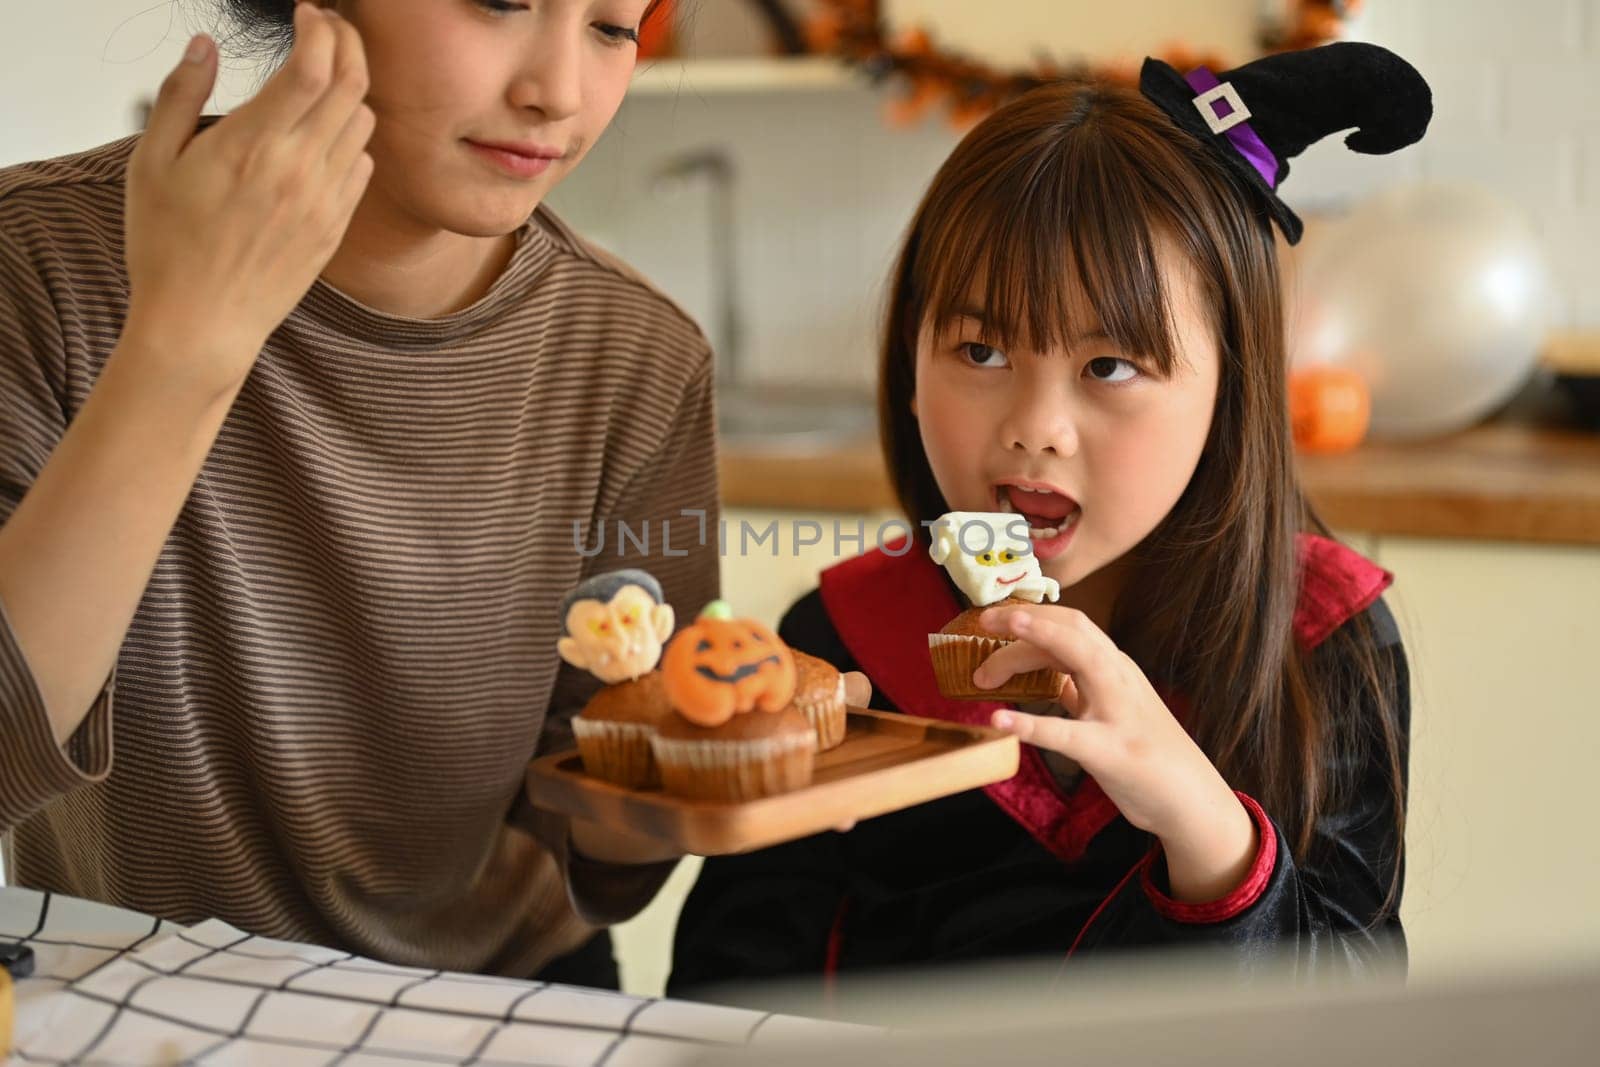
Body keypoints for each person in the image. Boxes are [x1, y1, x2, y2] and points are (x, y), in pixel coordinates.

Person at [671, 43, 1432, 1007]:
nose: (1033, 427)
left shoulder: (1324, 643)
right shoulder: (839, 647)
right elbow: (724, 989)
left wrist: (1202, 824)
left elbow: (1358, 1023)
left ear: (1232, 391)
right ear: (909, 363)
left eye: (1110, 365)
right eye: (980, 348)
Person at [0, 0, 715, 986]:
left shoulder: (639, 359)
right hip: (133, 1001)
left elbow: (594, 837)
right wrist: (184, 337)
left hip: (511, 1004)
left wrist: (721, 770)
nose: (557, 91)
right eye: (501, 1)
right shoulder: (34, 264)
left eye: (612, 25)